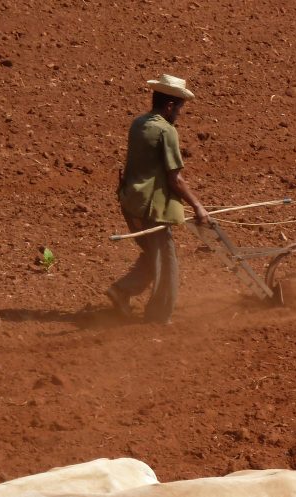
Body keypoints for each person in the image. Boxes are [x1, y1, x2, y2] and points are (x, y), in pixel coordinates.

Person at [108, 74, 209, 324]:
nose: (181, 112)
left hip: (130, 203)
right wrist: (198, 206)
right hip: (151, 209)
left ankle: (121, 291)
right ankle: (158, 315)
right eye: (181, 107)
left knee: (153, 255)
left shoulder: (138, 123)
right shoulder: (167, 131)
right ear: (170, 106)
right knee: (166, 261)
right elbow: (175, 179)